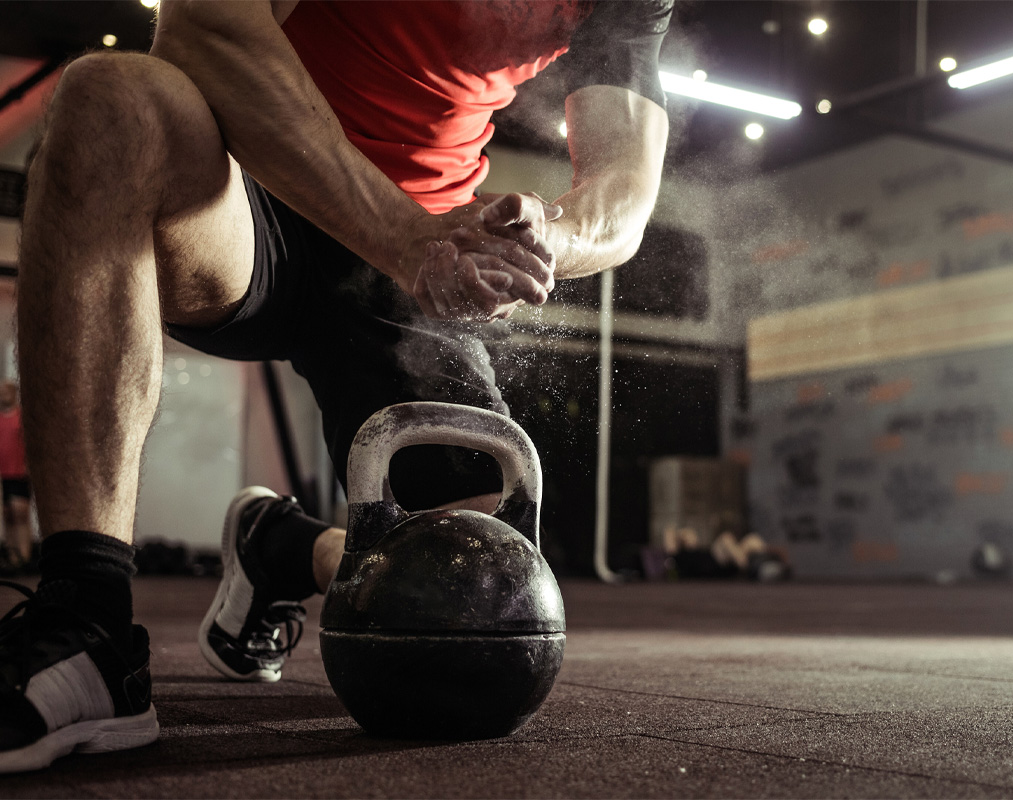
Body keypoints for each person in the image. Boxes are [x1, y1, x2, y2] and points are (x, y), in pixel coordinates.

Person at [1, 0, 671, 772]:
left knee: (472, 605)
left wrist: (550, 233)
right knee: (112, 95)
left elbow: (625, 189)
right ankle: (88, 623)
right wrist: (397, 234)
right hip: (244, 203)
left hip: (421, 262)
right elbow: (203, 25)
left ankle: (284, 548)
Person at [0, 381, 33, 573]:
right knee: (8, 516)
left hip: (19, 474)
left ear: (14, 393)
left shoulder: (22, 417)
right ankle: (12, 556)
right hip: (4, 474)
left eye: (6, 391)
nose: (3, 395)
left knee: (20, 513)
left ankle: (24, 555)